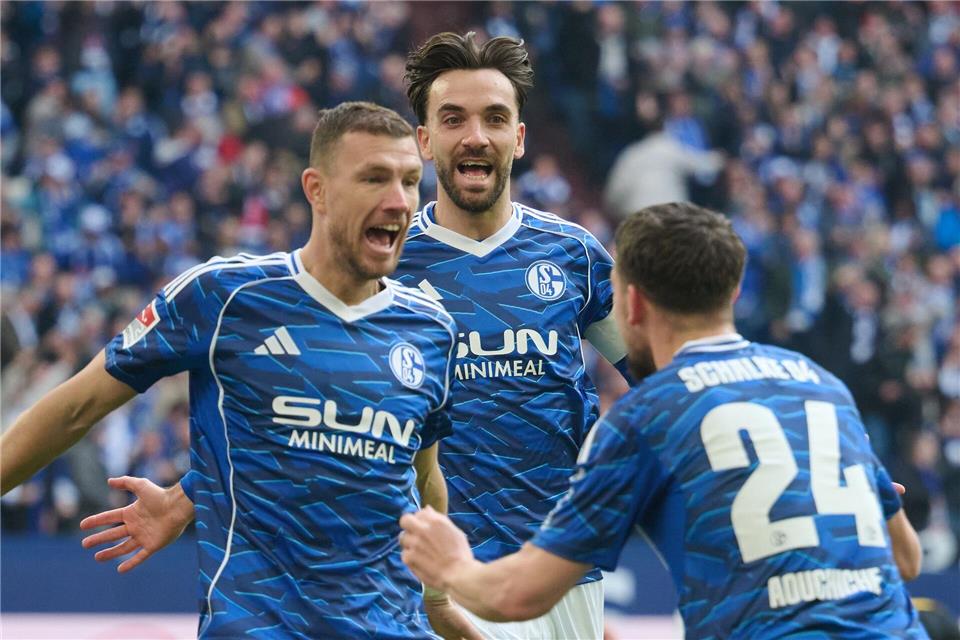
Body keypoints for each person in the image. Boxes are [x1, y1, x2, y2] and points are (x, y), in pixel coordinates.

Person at [81, 32, 628, 639]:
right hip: (420, 585)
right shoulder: (380, 257)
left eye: (495, 118)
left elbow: (661, 382)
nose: (475, 135)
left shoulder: (575, 257)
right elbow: (300, 399)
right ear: (425, 140)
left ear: (519, 137)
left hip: (555, 577)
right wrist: (188, 498)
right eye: (453, 119)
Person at [0, 101, 478, 639]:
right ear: (317, 190)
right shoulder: (224, 297)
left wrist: (438, 600)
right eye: (374, 178)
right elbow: (76, 408)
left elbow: (421, 476)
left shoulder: (431, 329)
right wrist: (191, 494)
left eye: (410, 181)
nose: (398, 201)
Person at [399, 202, 928, 639]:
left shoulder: (644, 420)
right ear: (733, 292)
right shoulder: (818, 385)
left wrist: (449, 568)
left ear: (631, 304)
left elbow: (518, 595)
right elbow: (906, 559)